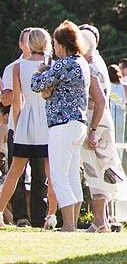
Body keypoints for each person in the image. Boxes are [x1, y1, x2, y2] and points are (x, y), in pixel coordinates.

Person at [30, 20, 106, 232]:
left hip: (61, 124)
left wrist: (40, 71)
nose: (54, 48)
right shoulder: (82, 63)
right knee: (72, 175)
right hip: (79, 125)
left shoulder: (64, 64)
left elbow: (36, 85)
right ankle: (71, 222)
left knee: (58, 175)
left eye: (55, 43)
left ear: (63, 44)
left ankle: (69, 225)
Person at [79, 27, 127, 232]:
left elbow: (99, 101)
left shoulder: (91, 66)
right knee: (100, 170)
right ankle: (102, 220)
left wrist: (93, 129)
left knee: (95, 171)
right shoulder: (98, 61)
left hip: (95, 122)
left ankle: (99, 221)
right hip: (101, 121)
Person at [0, 28, 58, 229]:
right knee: (51, 173)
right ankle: (50, 216)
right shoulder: (51, 65)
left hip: (25, 121)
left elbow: (17, 102)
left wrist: (17, 125)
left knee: (15, 172)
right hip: (47, 122)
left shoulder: (17, 67)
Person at [106, 64, 127, 144]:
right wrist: (123, 103)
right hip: (121, 115)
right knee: (119, 139)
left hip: (109, 114)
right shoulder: (125, 86)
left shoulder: (107, 86)